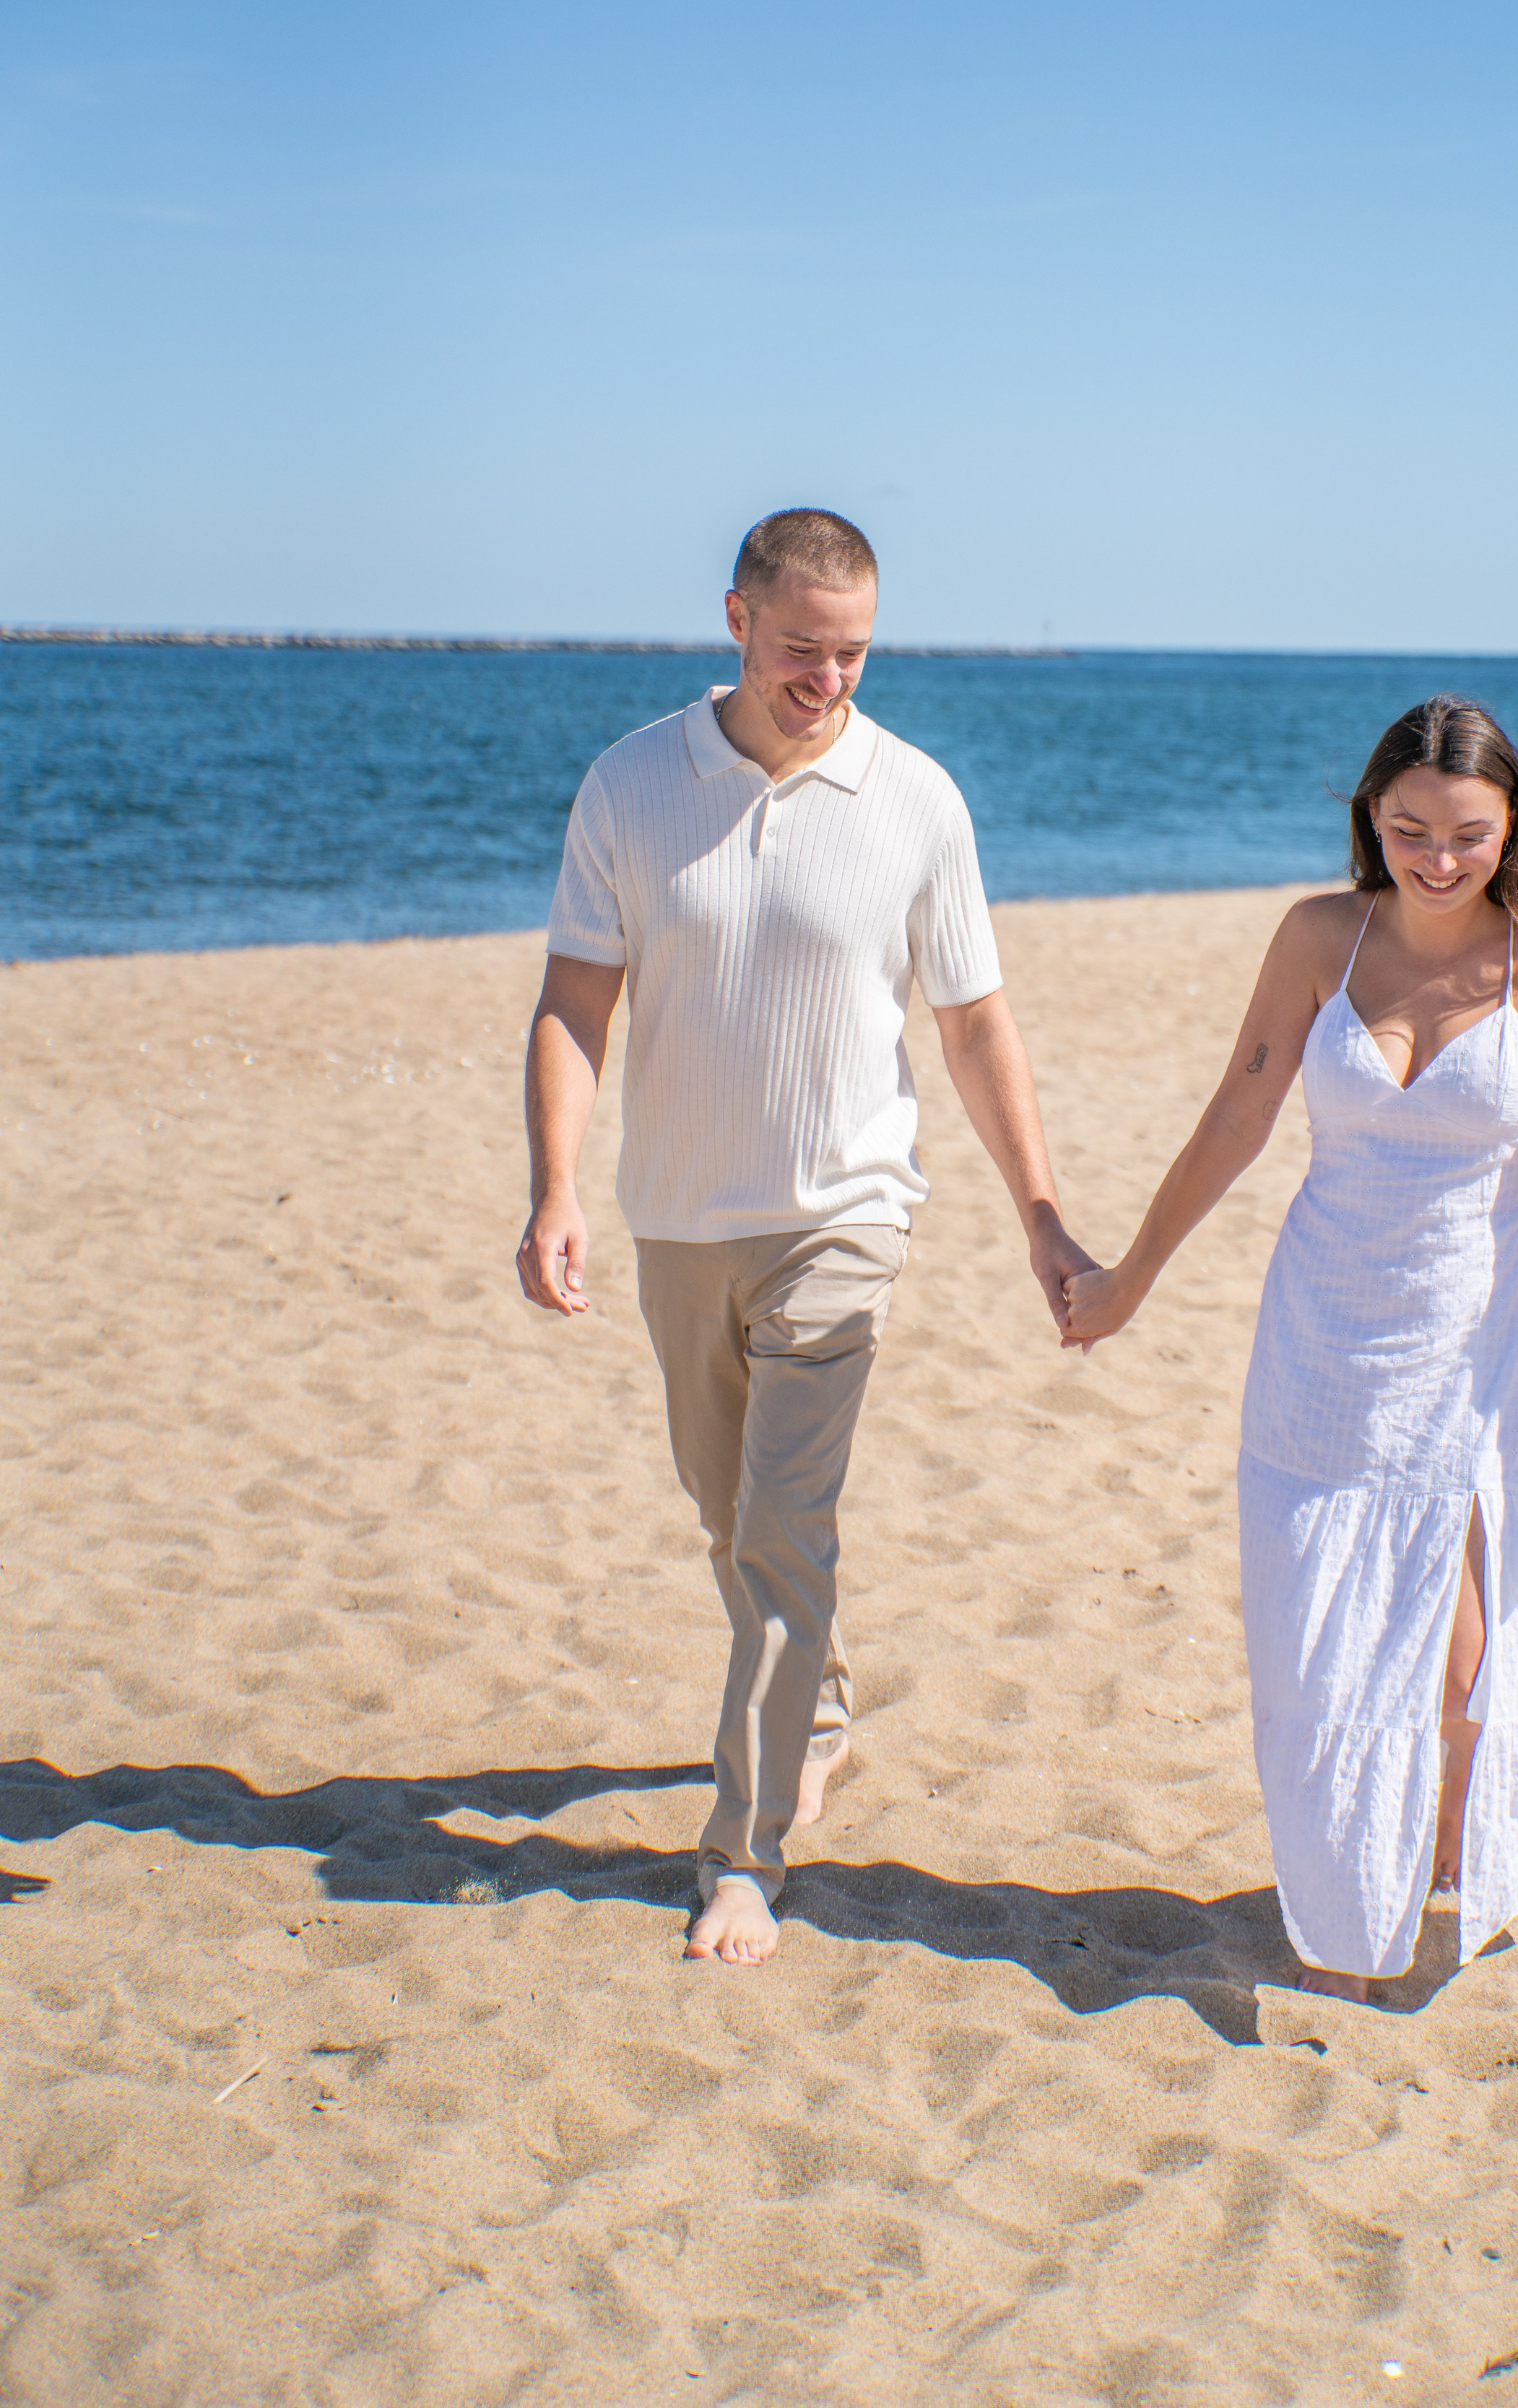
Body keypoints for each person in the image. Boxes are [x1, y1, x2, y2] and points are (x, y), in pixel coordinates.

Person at [516, 508, 1092, 1967]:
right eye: (797, 649)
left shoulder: (915, 798)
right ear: (733, 618)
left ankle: (744, 1853)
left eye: (850, 653)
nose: (825, 678)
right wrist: (555, 1186)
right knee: (729, 1518)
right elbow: (575, 1002)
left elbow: (971, 1024)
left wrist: (1038, 1210)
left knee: (783, 1527)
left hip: (844, 1213)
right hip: (679, 1216)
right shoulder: (632, 783)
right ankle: (816, 1700)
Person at [1064, 696, 1518, 2003]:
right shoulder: (1319, 938)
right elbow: (1239, 1109)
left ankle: (1445, 1861)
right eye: (1408, 831)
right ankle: (1371, 1860)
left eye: (1466, 834)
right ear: (1369, 818)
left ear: (1510, 828)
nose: (1436, 860)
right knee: (1318, 1629)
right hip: (1329, 1336)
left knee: (1461, 1645)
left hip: (1484, 1340)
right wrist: (1130, 1276)